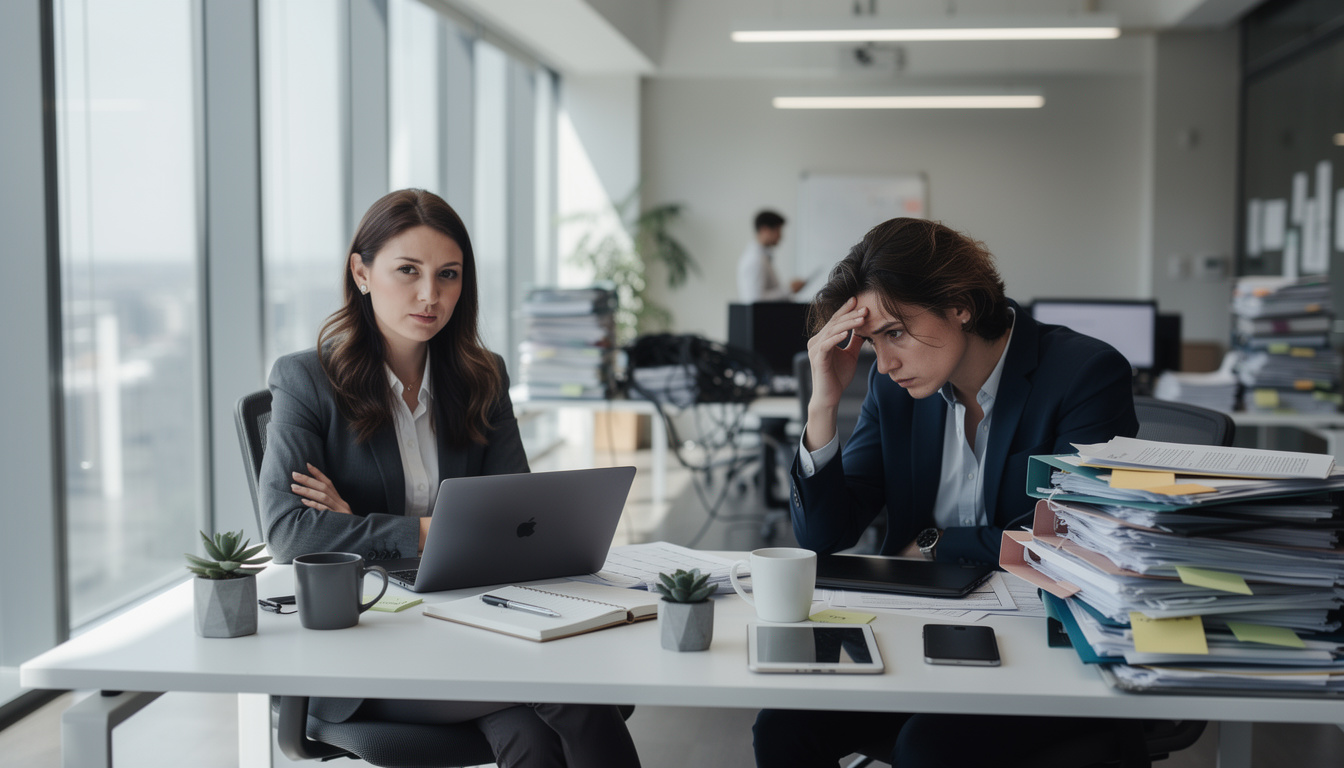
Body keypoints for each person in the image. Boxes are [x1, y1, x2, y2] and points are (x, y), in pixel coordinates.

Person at [258, 188, 641, 768]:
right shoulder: (306, 380)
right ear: (361, 273)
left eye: (449, 275)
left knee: (532, 734)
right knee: (572, 695)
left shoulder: (482, 377)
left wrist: (355, 526)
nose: (430, 295)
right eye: (407, 271)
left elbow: (518, 518)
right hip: (368, 650)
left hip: (474, 622)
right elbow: (289, 533)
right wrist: (427, 532)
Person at [753, 217, 1140, 767]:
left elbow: (1074, 541)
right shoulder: (894, 392)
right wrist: (823, 402)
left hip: (1040, 639)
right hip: (918, 627)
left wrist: (938, 544)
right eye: (871, 341)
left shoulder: (1084, 374)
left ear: (959, 303)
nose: (883, 363)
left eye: (895, 333)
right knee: (782, 727)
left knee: (927, 749)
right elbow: (823, 535)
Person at [738, 209, 807, 302]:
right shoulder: (755, 259)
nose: (780, 236)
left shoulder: (760, 257)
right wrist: (789, 289)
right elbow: (755, 298)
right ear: (764, 229)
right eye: (777, 230)